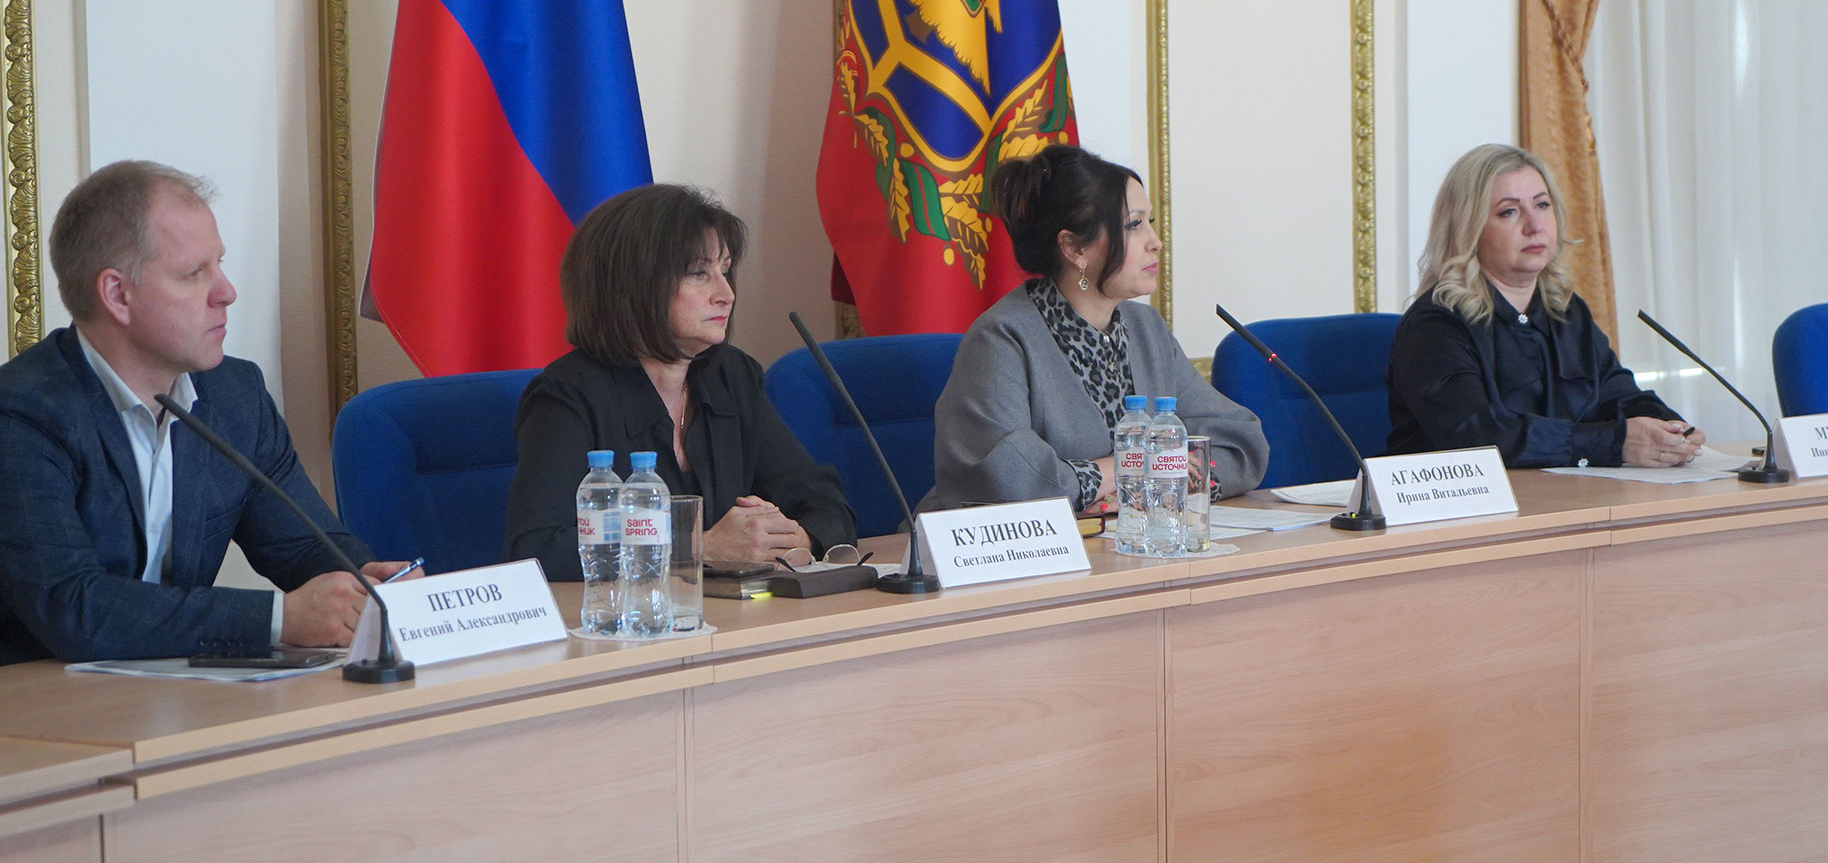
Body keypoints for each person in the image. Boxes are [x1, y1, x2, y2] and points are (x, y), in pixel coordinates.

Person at [0, 162, 413, 665]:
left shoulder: (233, 395)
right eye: (195, 273)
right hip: (33, 698)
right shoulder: (22, 414)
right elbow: (72, 607)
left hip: (168, 694)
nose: (226, 292)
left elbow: (302, 547)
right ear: (117, 295)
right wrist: (278, 619)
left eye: (219, 264)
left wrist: (365, 581)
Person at [505, 184, 857, 576]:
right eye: (699, 273)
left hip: (732, 607)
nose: (726, 294)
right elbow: (536, 549)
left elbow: (824, 504)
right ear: (632, 285)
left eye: (725, 271)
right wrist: (699, 548)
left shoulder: (732, 377)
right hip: (627, 613)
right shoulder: (568, 396)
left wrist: (792, 539)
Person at [924, 145, 1267, 512]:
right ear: (1075, 248)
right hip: (1013, 546)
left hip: (1130, 539)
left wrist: (1155, 488)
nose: (1156, 242)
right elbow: (1006, 477)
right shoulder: (1002, 338)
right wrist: (1131, 467)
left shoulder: (1146, 329)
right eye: (1134, 225)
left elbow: (1240, 444)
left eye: (1150, 221)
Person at [1386, 143, 1702, 469]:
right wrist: (1614, 442)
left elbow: (1617, 395)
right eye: (1509, 212)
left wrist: (1669, 429)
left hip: (1562, 493)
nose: (1534, 225)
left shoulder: (1565, 311)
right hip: (1464, 500)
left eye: (1542, 205)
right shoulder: (1436, 326)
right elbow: (1480, 436)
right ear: (1468, 228)